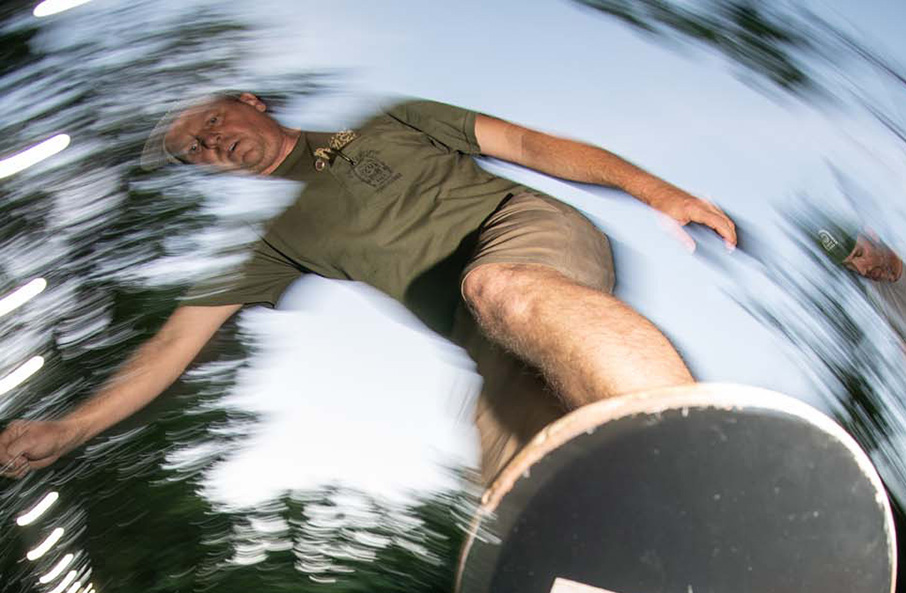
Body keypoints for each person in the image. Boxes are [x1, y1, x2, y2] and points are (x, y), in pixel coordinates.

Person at [1, 92, 737, 487]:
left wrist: (655, 190)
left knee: (501, 285)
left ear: (252, 102)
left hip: (530, 241)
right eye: (194, 149)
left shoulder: (391, 123)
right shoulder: (280, 239)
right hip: (491, 345)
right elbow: (174, 342)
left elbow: (531, 146)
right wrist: (73, 428)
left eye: (213, 121)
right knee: (515, 490)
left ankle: (709, 467)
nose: (209, 143)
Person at [817, 222, 906, 459]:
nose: (862, 269)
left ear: (872, 235)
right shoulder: (878, 294)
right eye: (851, 265)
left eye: (860, 254)